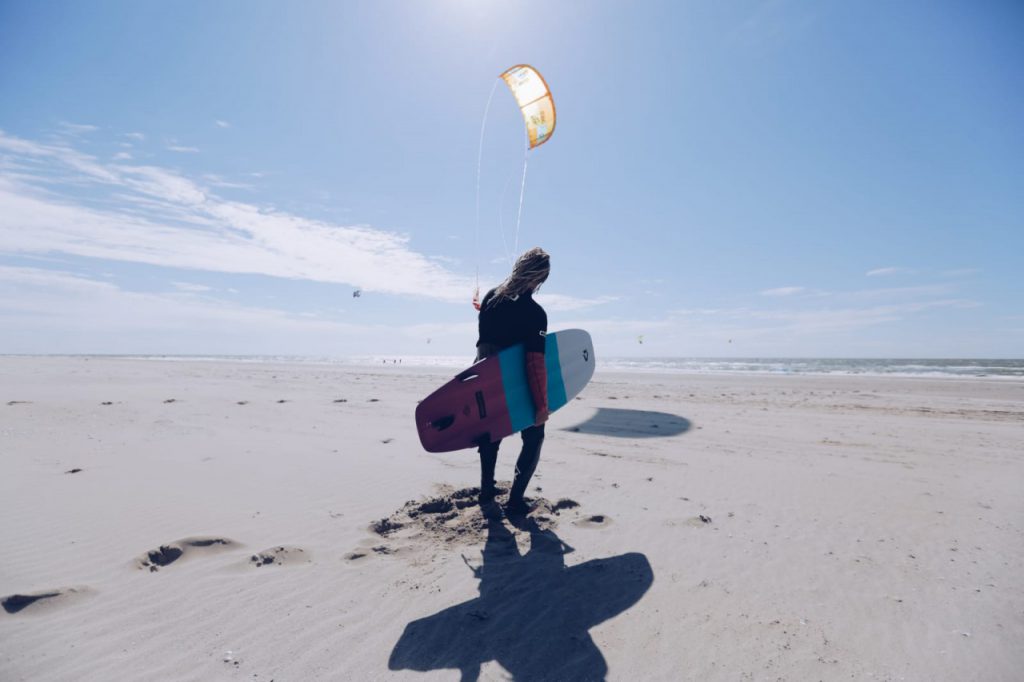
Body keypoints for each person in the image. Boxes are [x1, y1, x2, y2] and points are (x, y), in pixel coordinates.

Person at [475, 247, 550, 517]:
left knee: (491, 435)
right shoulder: (534, 313)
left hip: (484, 379)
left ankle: (486, 491)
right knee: (534, 436)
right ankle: (515, 501)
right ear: (539, 279)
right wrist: (541, 406)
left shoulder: (490, 297)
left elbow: (485, 345)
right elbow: (534, 362)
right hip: (516, 383)